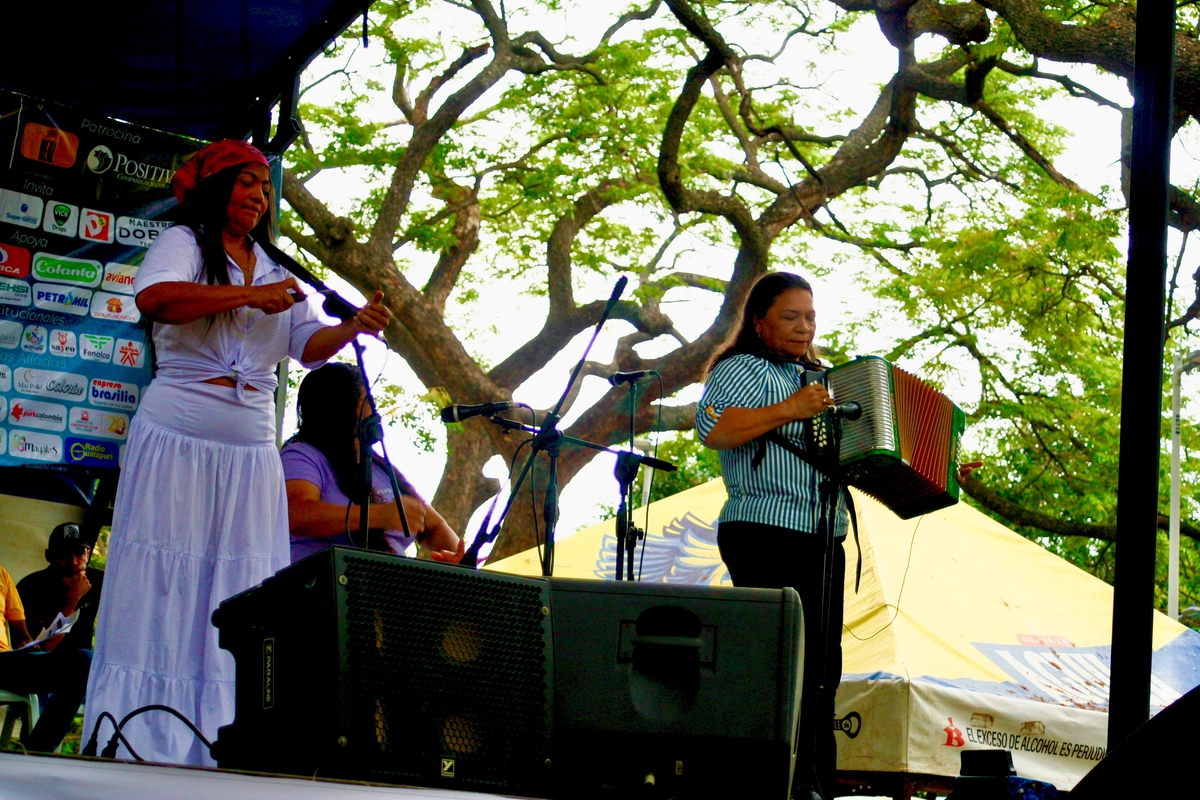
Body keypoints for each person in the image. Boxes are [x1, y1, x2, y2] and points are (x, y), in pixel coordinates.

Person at [84, 139, 391, 766]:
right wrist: (248, 298)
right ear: (217, 188)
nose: (259, 195)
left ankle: (225, 739)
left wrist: (351, 328)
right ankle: (139, 737)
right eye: (247, 183)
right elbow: (156, 299)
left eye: (263, 187)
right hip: (177, 437)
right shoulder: (185, 243)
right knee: (164, 579)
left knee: (239, 583)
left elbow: (308, 346)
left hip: (250, 450)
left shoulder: (278, 266)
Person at [694, 272, 846, 800]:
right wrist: (792, 408)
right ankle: (765, 787)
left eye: (810, 316)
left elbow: (854, 456)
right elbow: (715, 429)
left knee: (824, 674)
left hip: (824, 538)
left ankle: (814, 785)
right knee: (778, 669)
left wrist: (928, 469)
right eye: (790, 316)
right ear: (759, 322)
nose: (804, 327)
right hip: (764, 530)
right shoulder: (742, 367)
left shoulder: (827, 381)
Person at [283, 362, 463, 563]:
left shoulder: (379, 467)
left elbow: (432, 525)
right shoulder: (302, 454)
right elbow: (296, 514)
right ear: (340, 406)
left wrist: (458, 562)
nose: (375, 410)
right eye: (367, 400)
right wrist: (378, 516)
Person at [0, 563, 91, 752]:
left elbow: (21, 633)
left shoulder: (2, 574)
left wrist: (26, 643)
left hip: (4, 662)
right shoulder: (33, 583)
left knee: (84, 661)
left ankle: (38, 752)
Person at [17, 522, 104, 656]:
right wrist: (72, 600)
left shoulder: (98, 580)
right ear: (49, 556)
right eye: (64, 554)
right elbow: (44, 646)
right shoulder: (31, 586)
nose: (73, 561)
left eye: (79, 553)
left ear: (88, 554)